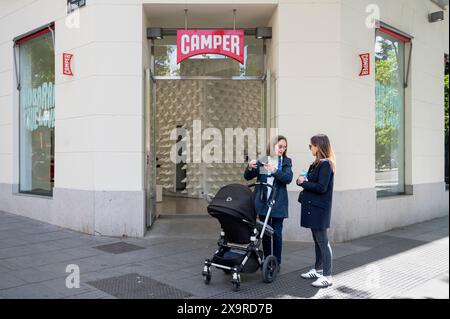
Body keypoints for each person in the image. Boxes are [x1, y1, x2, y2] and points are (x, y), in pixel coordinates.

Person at [244, 135, 293, 270]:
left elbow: (288, 178)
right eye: (280, 146)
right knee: (265, 232)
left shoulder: (286, 162)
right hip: (263, 201)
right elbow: (248, 177)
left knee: (276, 233)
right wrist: (249, 167)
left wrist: (274, 170)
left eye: (284, 147)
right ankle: (267, 259)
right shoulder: (263, 160)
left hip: (278, 202)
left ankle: (276, 262)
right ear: (272, 146)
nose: (282, 149)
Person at [297, 134, 336, 288]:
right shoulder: (316, 164)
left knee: (323, 241)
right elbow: (309, 181)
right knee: (317, 240)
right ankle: (318, 269)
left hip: (320, 210)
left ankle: (327, 275)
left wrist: (304, 183)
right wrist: (302, 180)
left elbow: (321, 187)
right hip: (313, 208)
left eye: (311, 145)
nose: (310, 148)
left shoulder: (326, 164)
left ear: (318, 146)